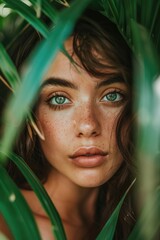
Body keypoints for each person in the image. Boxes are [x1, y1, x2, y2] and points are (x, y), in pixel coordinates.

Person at [0, 9, 136, 240]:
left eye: (112, 96)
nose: (87, 126)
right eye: (59, 99)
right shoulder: (7, 226)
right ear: (29, 113)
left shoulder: (140, 222)